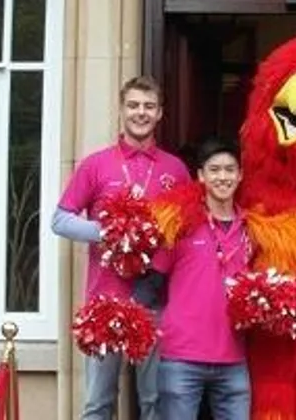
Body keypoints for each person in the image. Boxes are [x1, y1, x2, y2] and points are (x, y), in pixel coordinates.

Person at [51, 75, 190, 420]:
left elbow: (186, 232)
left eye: (148, 106)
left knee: (155, 401)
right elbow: (59, 220)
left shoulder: (176, 168)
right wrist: (111, 231)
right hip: (105, 301)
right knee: (98, 403)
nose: (140, 113)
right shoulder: (96, 164)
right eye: (133, 105)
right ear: (121, 110)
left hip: (154, 300)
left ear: (160, 113)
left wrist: (156, 254)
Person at [153, 137, 252, 420]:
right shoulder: (180, 223)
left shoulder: (253, 229)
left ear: (240, 174)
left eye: (230, 169)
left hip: (234, 358)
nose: (223, 177)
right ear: (200, 175)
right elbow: (153, 283)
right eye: (215, 169)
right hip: (182, 358)